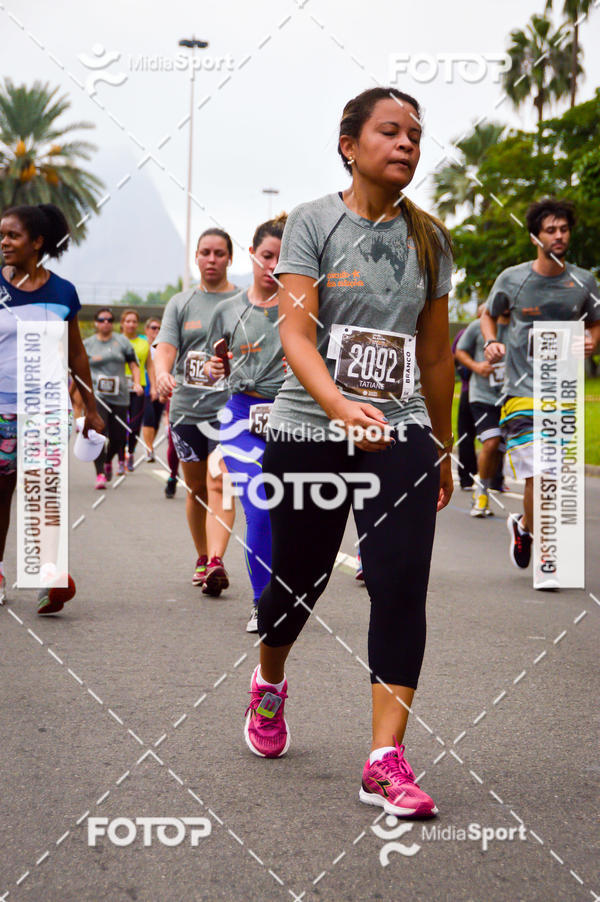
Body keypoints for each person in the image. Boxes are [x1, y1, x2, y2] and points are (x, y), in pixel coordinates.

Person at [243, 87, 454, 820]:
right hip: (308, 429)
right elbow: (295, 333)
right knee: (296, 585)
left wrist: (442, 443)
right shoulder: (312, 221)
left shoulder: (431, 239)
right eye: (390, 132)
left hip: (396, 433)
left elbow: (433, 360)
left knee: (400, 583)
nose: (406, 145)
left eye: (416, 136)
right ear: (349, 143)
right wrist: (336, 405)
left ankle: (384, 758)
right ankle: (269, 681)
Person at [481, 198, 600, 568]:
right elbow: (489, 314)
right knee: (538, 470)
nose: (559, 235)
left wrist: (592, 340)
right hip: (520, 392)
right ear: (536, 236)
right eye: (551, 230)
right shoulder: (513, 279)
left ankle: (527, 527)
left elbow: (595, 321)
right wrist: (491, 341)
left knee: (555, 473)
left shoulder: (584, 281)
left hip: (562, 391)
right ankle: (549, 548)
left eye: (563, 229)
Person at [0, 203, 104, 613]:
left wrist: (90, 409)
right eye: (2, 235)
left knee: (41, 490)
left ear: (37, 242)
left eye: (12, 235)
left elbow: (76, 356)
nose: (4, 242)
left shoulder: (63, 292)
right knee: (1, 491)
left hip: (45, 408)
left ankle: (49, 576)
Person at [204, 214, 288, 632]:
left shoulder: (303, 308)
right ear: (253, 255)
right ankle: (262, 602)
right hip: (240, 416)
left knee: (295, 511)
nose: (273, 265)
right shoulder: (227, 310)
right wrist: (214, 367)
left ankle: (285, 589)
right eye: (267, 256)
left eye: (282, 258)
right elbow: (213, 368)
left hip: (292, 417)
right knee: (259, 508)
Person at [154, 229, 239, 592]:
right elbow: (167, 347)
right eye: (205, 252)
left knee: (222, 482)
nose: (212, 259)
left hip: (230, 411)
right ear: (196, 257)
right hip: (187, 411)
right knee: (196, 488)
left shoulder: (243, 302)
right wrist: (160, 373)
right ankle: (203, 556)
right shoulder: (181, 302)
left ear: (230, 258)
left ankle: (217, 561)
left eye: (219, 253)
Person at [455, 304, 508, 516]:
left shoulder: (521, 326)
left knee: (499, 447)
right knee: (491, 441)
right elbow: (459, 351)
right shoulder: (478, 326)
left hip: (511, 395)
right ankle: (482, 494)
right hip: (482, 395)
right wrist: (477, 367)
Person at [84, 308, 141, 488]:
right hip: (97, 396)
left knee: (118, 438)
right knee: (98, 433)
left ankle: (109, 459)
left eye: (109, 319)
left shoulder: (122, 341)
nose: (106, 322)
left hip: (120, 395)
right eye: (102, 319)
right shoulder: (88, 344)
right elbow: (80, 370)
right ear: (96, 323)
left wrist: (137, 383)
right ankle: (100, 472)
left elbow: (134, 364)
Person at [120, 308, 153, 471]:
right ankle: (120, 457)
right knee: (118, 424)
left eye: (134, 321)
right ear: (122, 324)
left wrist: (153, 387)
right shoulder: (116, 341)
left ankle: (130, 452)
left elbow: (150, 366)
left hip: (138, 387)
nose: (131, 324)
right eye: (128, 321)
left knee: (134, 425)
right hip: (118, 388)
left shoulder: (143, 343)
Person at [451, 325, 477, 490]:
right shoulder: (468, 332)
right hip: (470, 390)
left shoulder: (504, 330)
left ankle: (496, 480)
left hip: (496, 394)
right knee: (466, 435)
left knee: (495, 438)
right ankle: (466, 477)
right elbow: (454, 354)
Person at [141, 316, 164, 462]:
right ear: (147, 330)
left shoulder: (162, 348)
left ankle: (148, 446)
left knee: (155, 421)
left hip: (160, 388)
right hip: (145, 388)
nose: (156, 331)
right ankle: (150, 449)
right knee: (148, 418)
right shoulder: (142, 345)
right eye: (153, 328)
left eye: (159, 328)